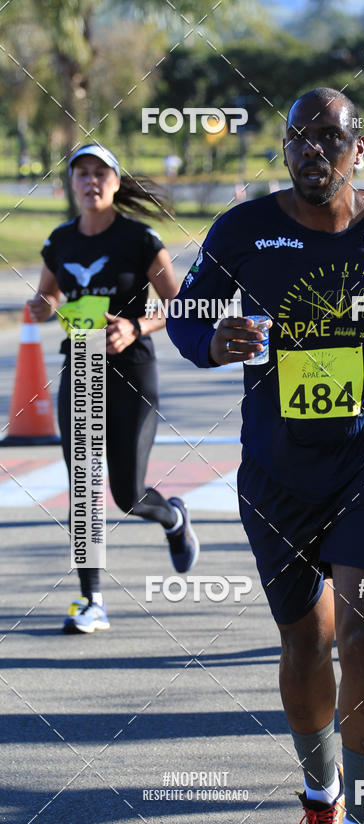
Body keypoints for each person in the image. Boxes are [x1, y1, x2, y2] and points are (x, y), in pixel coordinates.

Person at [167, 88, 364, 824]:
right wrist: (211, 341)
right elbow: (187, 313)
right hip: (279, 472)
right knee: (305, 643)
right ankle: (320, 801)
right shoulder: (243, 228)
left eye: (330, 137)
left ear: (359, 149)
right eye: (299, 137)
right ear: (286, 148)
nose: (312, 150)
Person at [28, 144, 199, 634]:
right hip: (79, 366)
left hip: (133, 372)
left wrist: (135, 327)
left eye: (100, 173)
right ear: (72, 183)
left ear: (116, 182)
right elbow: (48, 297)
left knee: (127, 494)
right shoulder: (60, 241)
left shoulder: (140, 240)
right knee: (82, 490)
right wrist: (41, 308)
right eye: (81, 173)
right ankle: (91, 601)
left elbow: (181, 307)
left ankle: (171, 517)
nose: (90, 181)